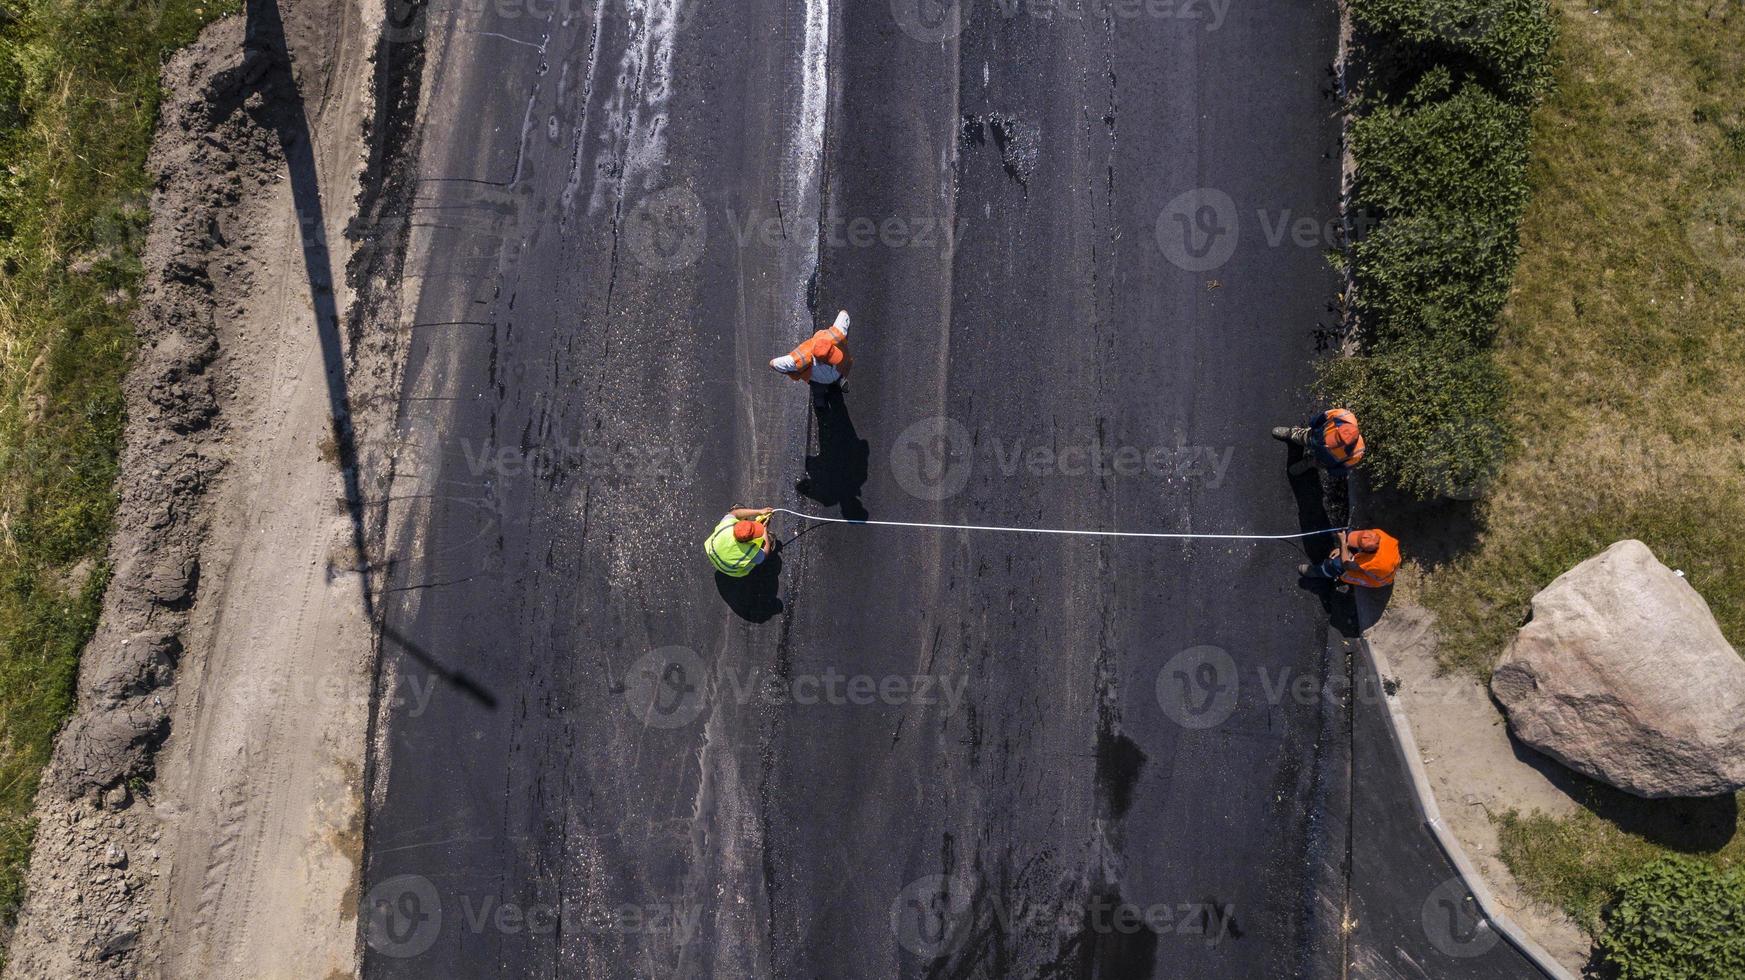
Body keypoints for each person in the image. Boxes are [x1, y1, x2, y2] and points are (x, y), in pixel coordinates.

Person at [770, 310, 852, 408]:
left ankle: (837, 382)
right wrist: (791, 372)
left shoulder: (836, 335)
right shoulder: (802, 359)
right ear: (821, 360)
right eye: (831, 360)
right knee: (818, 392)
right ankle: (821, 403)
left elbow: (844, 314)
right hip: (818, 381)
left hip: (834, 373)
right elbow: (773, 364)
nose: (835, 360)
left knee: (824, 386)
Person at [1272, 408, 1365, 477]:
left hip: (1324, 459)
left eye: (1336, 442)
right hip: (1315, 437)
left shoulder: (1357, 453)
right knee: (1303, 436)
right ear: (1339, 427)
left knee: (1316, 462)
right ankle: (1292, 433)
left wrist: (1331, 471)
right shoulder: (1343, 415)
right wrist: (1313, 423)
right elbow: (1322, 417)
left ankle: (1308, 462)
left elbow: (1343, 469)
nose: (1328, 444)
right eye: (1334, 439)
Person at [1299, 529, 1400, 588]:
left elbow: (1346, 565)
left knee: (1337, 565)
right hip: (1387, 563)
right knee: (1350, 532)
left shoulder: (1372, 562)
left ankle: (1321, 571)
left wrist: (1343, 543)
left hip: (1379, 580)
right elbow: (1359, 541)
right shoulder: (1378, 535)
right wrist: (1343, 548)